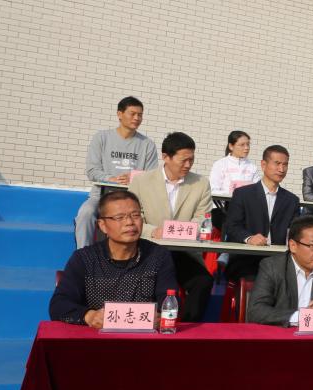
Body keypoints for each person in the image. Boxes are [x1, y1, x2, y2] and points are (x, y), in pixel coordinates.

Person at [50, 190, 176, 327]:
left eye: (135, 215)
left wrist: (160, 316)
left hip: (144, 337)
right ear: (102, 225)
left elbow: (169, 301)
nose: (130, 222)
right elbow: (59, 305)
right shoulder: (84, 258)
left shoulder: (158, 256)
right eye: (119, 217)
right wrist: (89, 316)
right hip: (96, 337)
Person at [128, 132, 214, 321]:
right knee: (159, 285)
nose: (188, 165)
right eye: (183, 160)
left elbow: (203, 218)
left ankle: (189, 327)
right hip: (148, 250)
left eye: (191, 160)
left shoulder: (201, 183)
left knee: (203, 281)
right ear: (166, 157)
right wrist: (153, 231)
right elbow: (132, 217)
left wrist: (179, 231)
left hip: (183, 252)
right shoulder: (141, 182)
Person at [73, 96, 159, 248]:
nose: (137, 118)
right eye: (132, 114)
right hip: (101, 197)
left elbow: (152, 176)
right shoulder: (101, 138)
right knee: (85, 214)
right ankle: (83, 255)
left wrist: (134, 178)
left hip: (133, 198)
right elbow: (92, 170)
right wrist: (111, 179)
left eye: (140, 115)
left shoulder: (147, 144)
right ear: (120, 114)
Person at [246, 216, 313, 326]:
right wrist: (303, 316)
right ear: (293, 246)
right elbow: (256, 311)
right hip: (281, 334)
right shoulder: (272, 267)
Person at [223, 145, 300, 279]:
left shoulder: (292, 200)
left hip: (279, 260)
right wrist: (249, 238)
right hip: (247, 258)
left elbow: (295, 231)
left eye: (285, 164)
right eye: (277, 163)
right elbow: (232, 226)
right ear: (263, 164)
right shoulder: (243, 194)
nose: (281, 169)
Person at [208, 130, 261, 194]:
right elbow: (213, 190)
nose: (246, 148)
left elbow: (258, 191)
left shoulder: (252, 167)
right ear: (231, 146)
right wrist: (233, 193)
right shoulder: (220, 164)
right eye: (242, 145)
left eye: (248, 144)